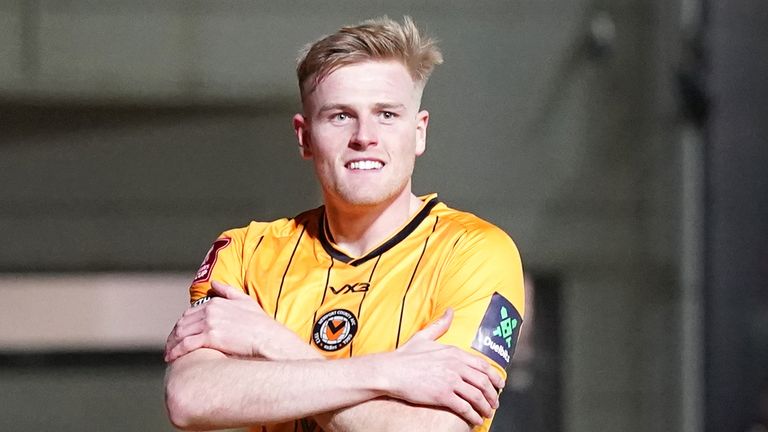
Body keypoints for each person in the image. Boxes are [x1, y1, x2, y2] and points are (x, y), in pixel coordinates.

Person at [164, 16, 525, 432]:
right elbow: (190, 398)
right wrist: (388, 374)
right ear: (304, 137)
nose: (364, 136)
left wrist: (269, 342)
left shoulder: (476, 252)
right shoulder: (244, 252)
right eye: (339, 116)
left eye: (387, 114)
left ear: (419, 132)